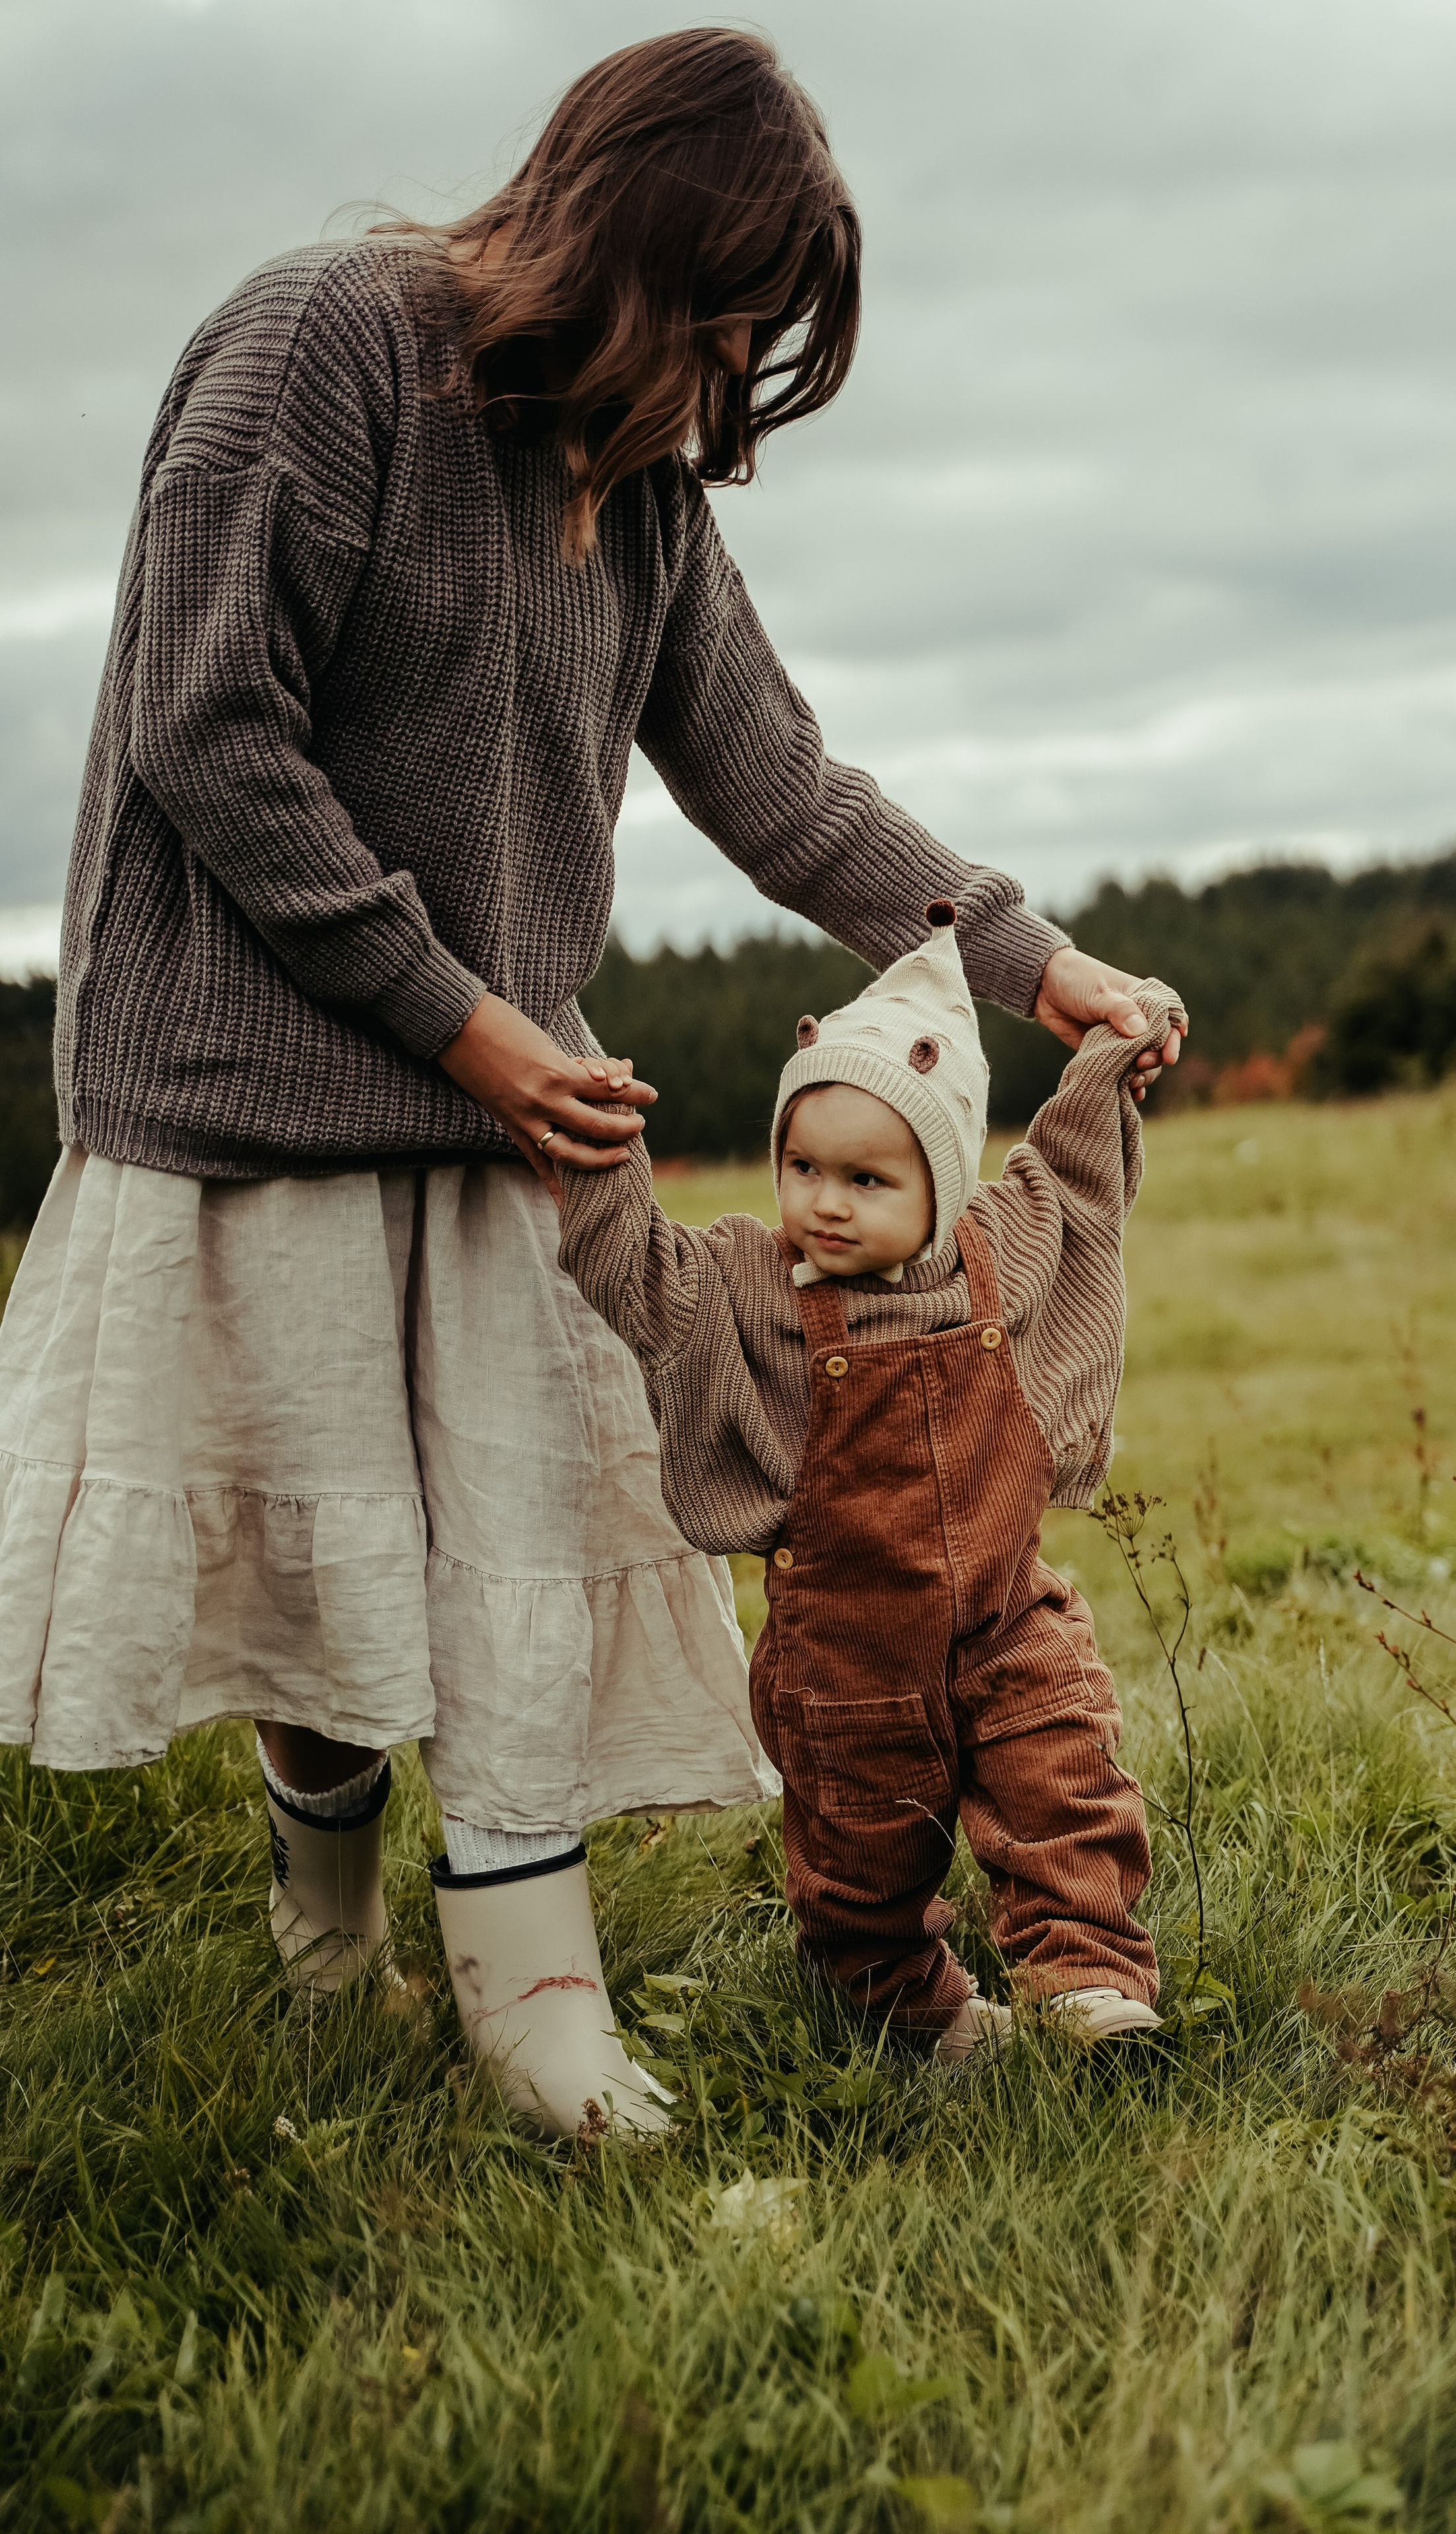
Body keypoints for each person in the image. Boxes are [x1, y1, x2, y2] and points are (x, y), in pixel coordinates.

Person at [0, 29, 1182, 2140]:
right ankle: (325, 1935)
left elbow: (784, 787)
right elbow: (206, 722)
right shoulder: (324, 345)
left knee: (520, 1540)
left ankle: (529, 1998)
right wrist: (465, 1017)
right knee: (313, 1565)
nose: (730, 375)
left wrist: (1040, 962)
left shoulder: (636, 498)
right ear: (624, 239)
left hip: (501, 1114)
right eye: (727, 316)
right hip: (251, 1101)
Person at [552, 901, 1184, 2065]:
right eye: (803, 1167)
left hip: (1006, 1616)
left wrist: (1116, 1052)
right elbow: (635, 1268)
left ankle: (1088, 1983)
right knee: (862, 1860)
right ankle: (906, 2009)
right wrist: (593, 1129)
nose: (827, 1202)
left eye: (868, 1179)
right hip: (846, 1660)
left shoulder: (997, 1253)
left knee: (1065, 1781)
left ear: (942, 1183)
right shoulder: (750, 1289)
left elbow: (1073, 1171)